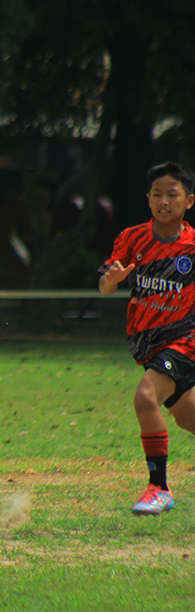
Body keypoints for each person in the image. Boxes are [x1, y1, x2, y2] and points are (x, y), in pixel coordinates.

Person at [98, 161, 195, 516]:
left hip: (185, 339)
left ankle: (159, 487)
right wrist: (113, 277)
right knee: (188, 419)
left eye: (172, 195)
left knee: (145, 396)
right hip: (147, 344)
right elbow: (105, 286)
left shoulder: (192, 247)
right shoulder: (132, 238)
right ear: (148, 199)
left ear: (189, 201)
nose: (164, 201)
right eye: (157, 194)